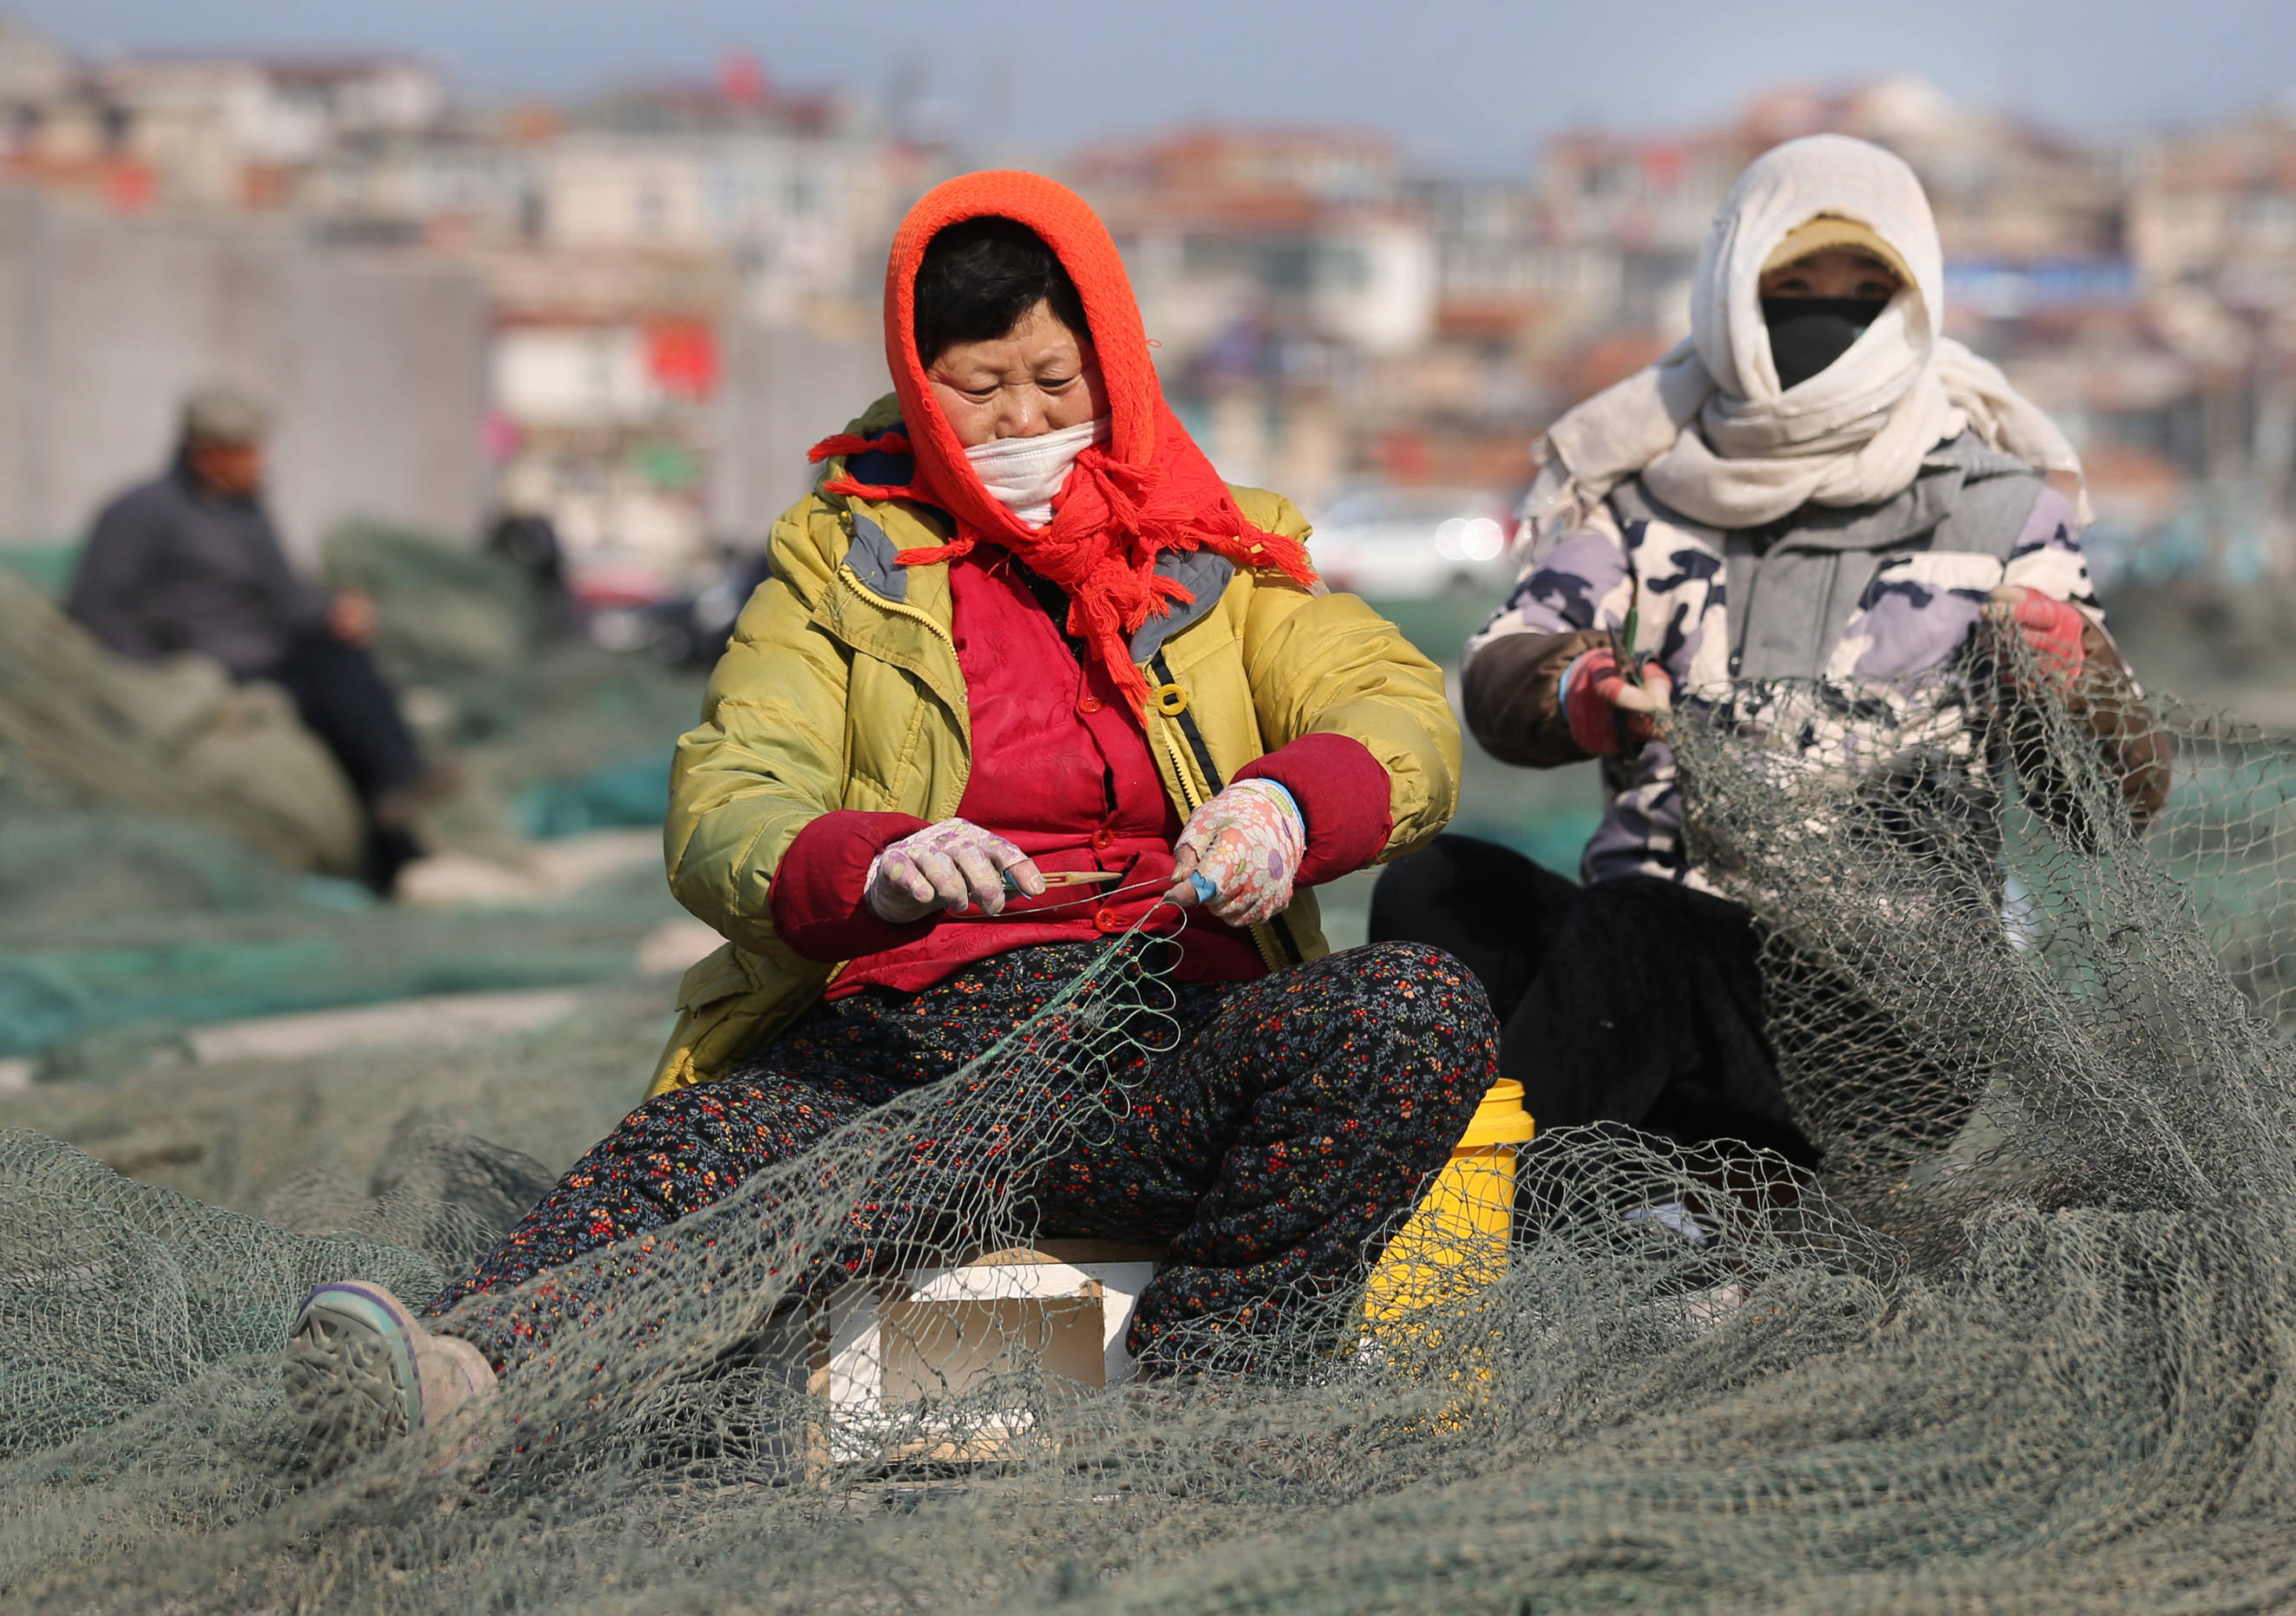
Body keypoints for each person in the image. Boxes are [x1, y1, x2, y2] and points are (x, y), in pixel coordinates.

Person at [282, 172, 1495, 1470]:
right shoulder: (836, 555)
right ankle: (461, 1376)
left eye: (1055, 377)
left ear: (1116, 363)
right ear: (922, 383)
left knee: (1413, 1009)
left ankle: (1197, 1412)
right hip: (913, 1031)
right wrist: (876, 862)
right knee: (710, 1155)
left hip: (1165, 1039)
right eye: (981, 387)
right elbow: (730, 794)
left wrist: (1286, 803)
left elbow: (1393, 703)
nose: (1024, 417)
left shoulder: (1228, 545)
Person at [1371, 134, 2168, 1177]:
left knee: (1636, 937)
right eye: (1793, 285)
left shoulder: (2003, 506)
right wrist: (1579, 690)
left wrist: (2076, 681)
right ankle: (1574, 1196)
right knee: (1437, 885)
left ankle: (1471, 1244)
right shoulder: (1641, 489)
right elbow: (1506, 662)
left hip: (1884, 1017)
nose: (1824, 313)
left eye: (1862, 287)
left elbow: (2115, 796)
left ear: (1914, 296)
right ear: (1733, 290)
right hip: (1658, 948)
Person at [66, 386, 432, 891]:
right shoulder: (140, 512)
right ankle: (396, 832)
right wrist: (159, 673)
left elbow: (289, 596)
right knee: (331, 710)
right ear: (205, 456)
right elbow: (98, 603)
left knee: (347, 671)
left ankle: (401, 792)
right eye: (245, 452)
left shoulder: (249, 514)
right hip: (210, 666)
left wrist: (334, 614)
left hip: (275, 654)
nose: (258, 463)